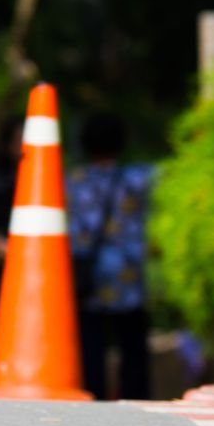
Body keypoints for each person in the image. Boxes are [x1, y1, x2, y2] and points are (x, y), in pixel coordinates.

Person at [66, 113, 154, 400]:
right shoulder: (138, 178)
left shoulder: (73, 182)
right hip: (127, 271)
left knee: (92, 343)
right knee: (132, 344)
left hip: (88, 273)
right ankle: (135, 398)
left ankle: (94, 396)